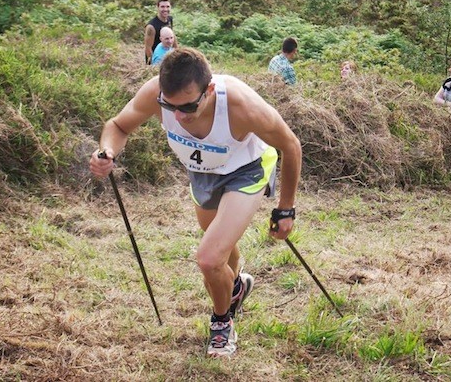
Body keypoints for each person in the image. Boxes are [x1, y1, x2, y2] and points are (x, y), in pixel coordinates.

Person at [89, 47, 302, 357]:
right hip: (202, 176)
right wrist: (107, 152)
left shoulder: (242, 106)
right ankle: (236, 287)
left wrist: (286, 208)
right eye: (169, 105)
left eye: (188, 106)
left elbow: (291, 145)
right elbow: (118, 126)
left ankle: (221, 323)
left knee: (209, 258)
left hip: (246, 172)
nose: (179, 116)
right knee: (222, 257)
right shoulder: (156, 93)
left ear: (209, 90)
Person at [144, 0, 177, 65]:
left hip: (166, 55)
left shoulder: (169, 19)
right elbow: (148, 48)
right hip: (156, 59)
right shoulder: (151, 27)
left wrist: (177, 54)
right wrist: (154, 66)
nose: (165, 9)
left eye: (167, 6)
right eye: (162, 7)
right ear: (157, 8)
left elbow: (173, 37)